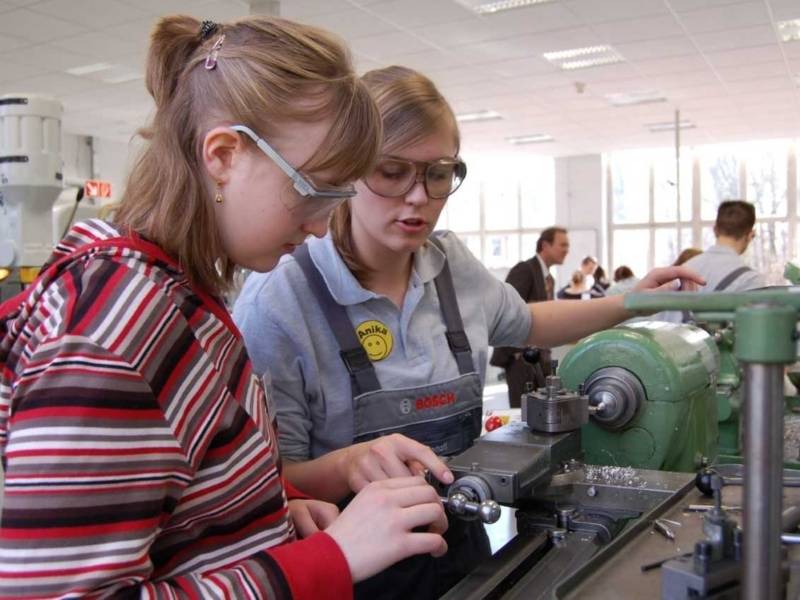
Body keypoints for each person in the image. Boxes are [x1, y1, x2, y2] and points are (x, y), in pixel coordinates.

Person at [0, 17, 452, 599]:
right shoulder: (122, 327)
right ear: (223, 155)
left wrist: (268, 514)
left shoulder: (180, 296)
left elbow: (172, 506)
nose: (319, 228)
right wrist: (329, 561)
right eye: (314, 191)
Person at [234, 65, 703, 600]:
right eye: (391, 171)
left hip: (464, 549)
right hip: (352, 570)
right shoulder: (280, 300)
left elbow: (530, 322)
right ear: (347, 169)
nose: (418, 197)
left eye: (438, 173)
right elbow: (273, 481)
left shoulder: (450, 264)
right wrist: (346, 464)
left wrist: (633, 300)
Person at [489, 226, 569, 408]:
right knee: (522, 413)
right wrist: (517, 353)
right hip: (520, 356)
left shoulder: (549, 278)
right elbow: (507, 308)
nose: (566, 250)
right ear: (545, 245)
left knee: (540, 410)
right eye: (562, 245)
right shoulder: (525, 270)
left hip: (539, 356)